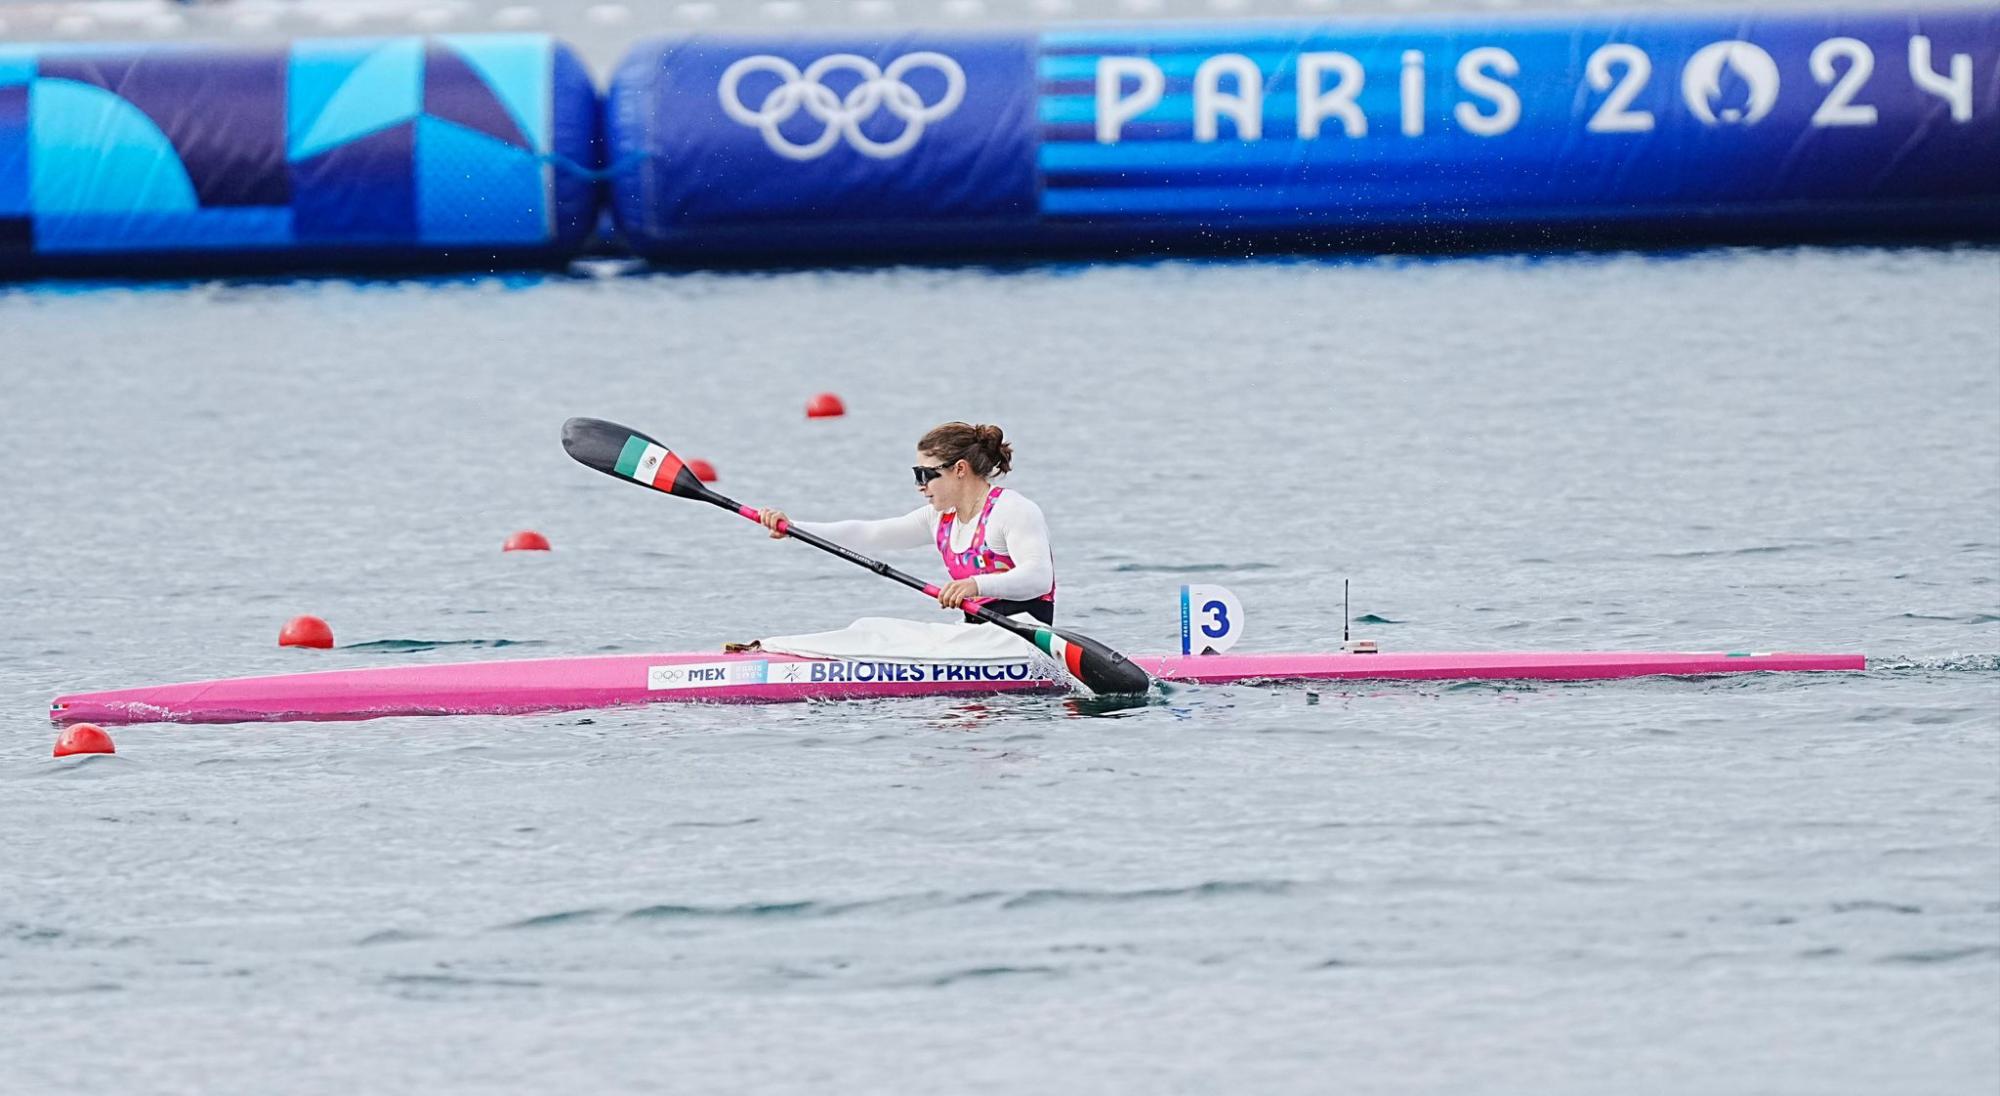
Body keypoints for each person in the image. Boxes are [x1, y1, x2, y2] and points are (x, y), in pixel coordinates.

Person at [758, 422, 1055, 624]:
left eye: (925, 474)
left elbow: (1039, 577)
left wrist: (974, 585)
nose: (919, 486)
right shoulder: (939, 518)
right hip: (979, 637)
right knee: (871, 628)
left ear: (960, 469)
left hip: (1024, 639)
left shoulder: (1012, 510)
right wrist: (794, 527)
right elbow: (869, 533)